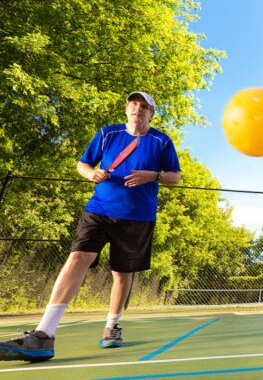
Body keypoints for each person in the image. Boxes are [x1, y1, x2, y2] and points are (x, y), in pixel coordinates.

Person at [0, 92, 181, 362]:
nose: (138, 109)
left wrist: (152, 175)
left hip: (137, 217)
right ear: (126, 109)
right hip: (99, 210)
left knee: (122, 273)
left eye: (144, 107)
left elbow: (175, 177)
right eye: (133, 104)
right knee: (78, 258)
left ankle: (112, 325)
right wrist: (91, 174)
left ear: (151, 114)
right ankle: (44, 333)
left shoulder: (161, 142)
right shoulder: (108, 134)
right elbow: (83, 164)